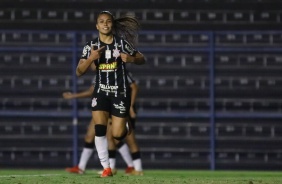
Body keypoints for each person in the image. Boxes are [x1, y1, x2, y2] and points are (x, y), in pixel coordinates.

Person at [75, 10, 145, 177]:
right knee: (100, 129)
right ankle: (106, 168)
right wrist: (91, 58)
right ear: (97, 25)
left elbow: (142, 58)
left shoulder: (122, 44)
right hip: (100, 92)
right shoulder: (90, 47)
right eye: (102, 21)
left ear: (112, 24)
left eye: (108, 21)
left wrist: (132, 59)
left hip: (119, 94)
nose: (105, 23)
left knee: (117, 135)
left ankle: (124, 126)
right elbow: (79, 71)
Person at [62, 84, 134, 175]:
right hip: (101, 105)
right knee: (90, 136)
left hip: (111, 104)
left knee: (114, 137)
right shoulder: (99, 73)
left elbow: (91, 91)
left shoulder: (109, 72)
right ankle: (82, 167)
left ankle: (129, 165)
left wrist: (72, 96)